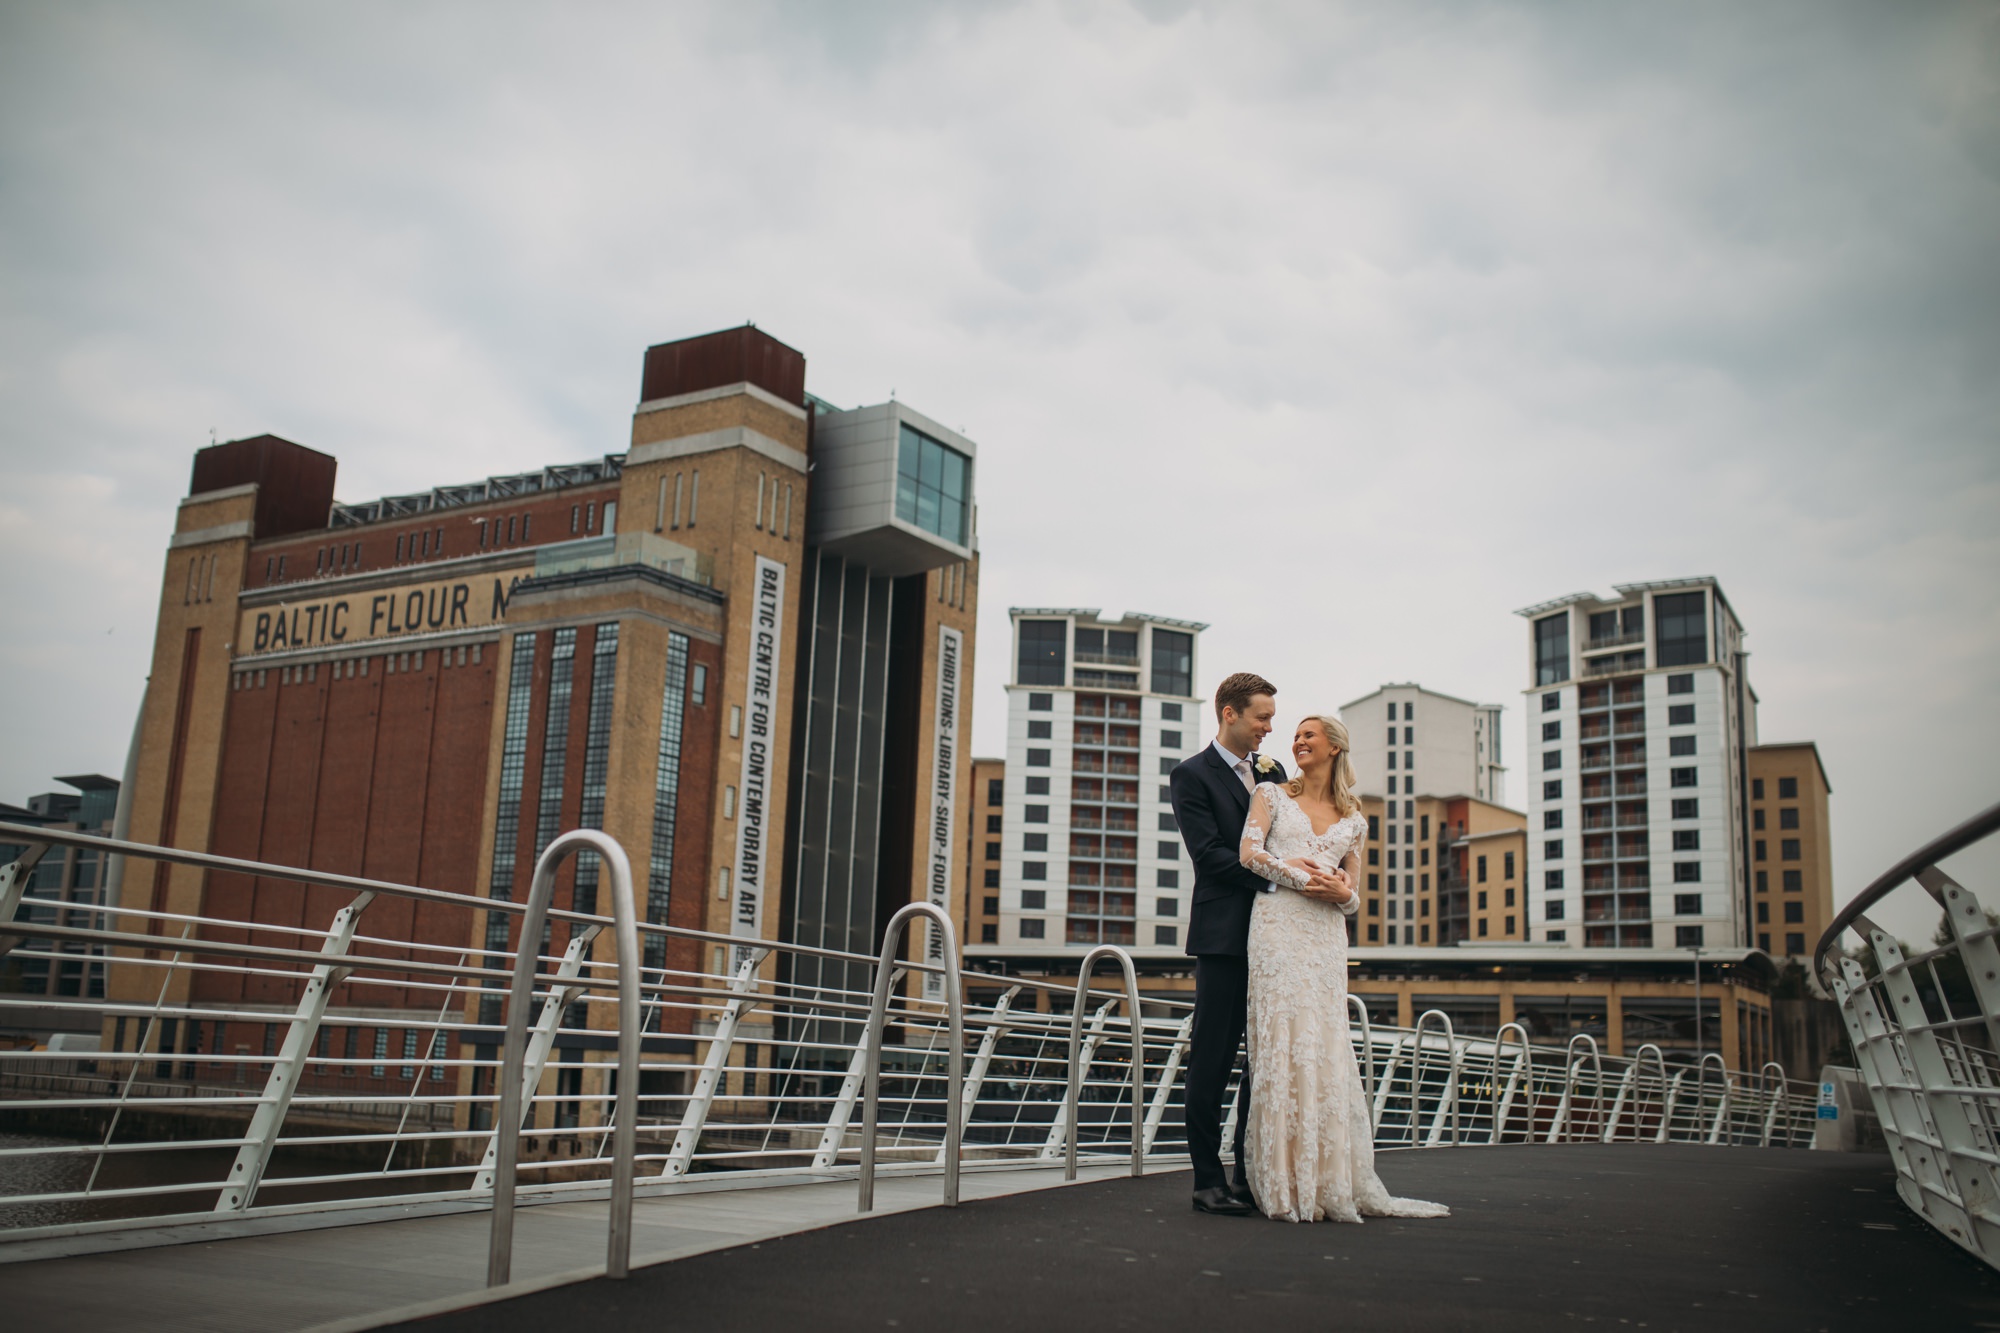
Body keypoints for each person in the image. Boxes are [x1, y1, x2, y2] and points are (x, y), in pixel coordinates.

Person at [1237, 713, 1450, 1223]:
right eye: (1296, 736)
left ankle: (1327, 1177)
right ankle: (1282, 1182)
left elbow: (1354, 895)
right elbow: (1247, 853)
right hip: (1278, 930)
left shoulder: (1355, 819)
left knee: (1325, 1045)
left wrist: (1342, 895)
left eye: (1308, 735)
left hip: (1326, 940)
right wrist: (1296, 876)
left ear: (1334, 747)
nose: (1297, 741)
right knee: (1282, 1042)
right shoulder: (1269, 796)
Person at [1168, 672, 1349, 1216]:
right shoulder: (1191, 776)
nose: (1271, 729)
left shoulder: (1272, 776)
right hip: (1226, 937)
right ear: (1229, 714)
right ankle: (1206, 1180)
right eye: (1262, 718)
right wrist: (1280, 877)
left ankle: (1251, 1174)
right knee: (1214, 1057)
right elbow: (1212, 858)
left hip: (1282, 940)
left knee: (1267, 1061)